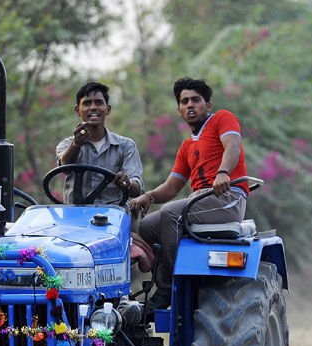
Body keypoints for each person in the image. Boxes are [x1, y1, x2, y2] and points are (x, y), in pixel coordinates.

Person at [129, 77, 249, 311]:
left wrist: (224, 172)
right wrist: (149, 196)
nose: (190, 105)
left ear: (208, 105)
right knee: (147, 226)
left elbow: (233, 146)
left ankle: (171, 288)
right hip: (199, 201)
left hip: (226, 197)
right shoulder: (187, 146)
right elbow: (173, 185)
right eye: (185, 102)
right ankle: (163, 281)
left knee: (170, 213)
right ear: (179, 110)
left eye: (196, 100)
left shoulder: (222, 119)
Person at [55, 82, 143, 205]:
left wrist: (127, 183)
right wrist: (77, 144)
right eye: (87, 103)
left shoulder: (126, 146)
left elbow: (137, 189)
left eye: (98, 102)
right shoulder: (66, 145)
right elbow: (65, 166)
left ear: (108, 110)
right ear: (78, 110)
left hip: (113, 215)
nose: (93, 107)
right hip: (75, 215)